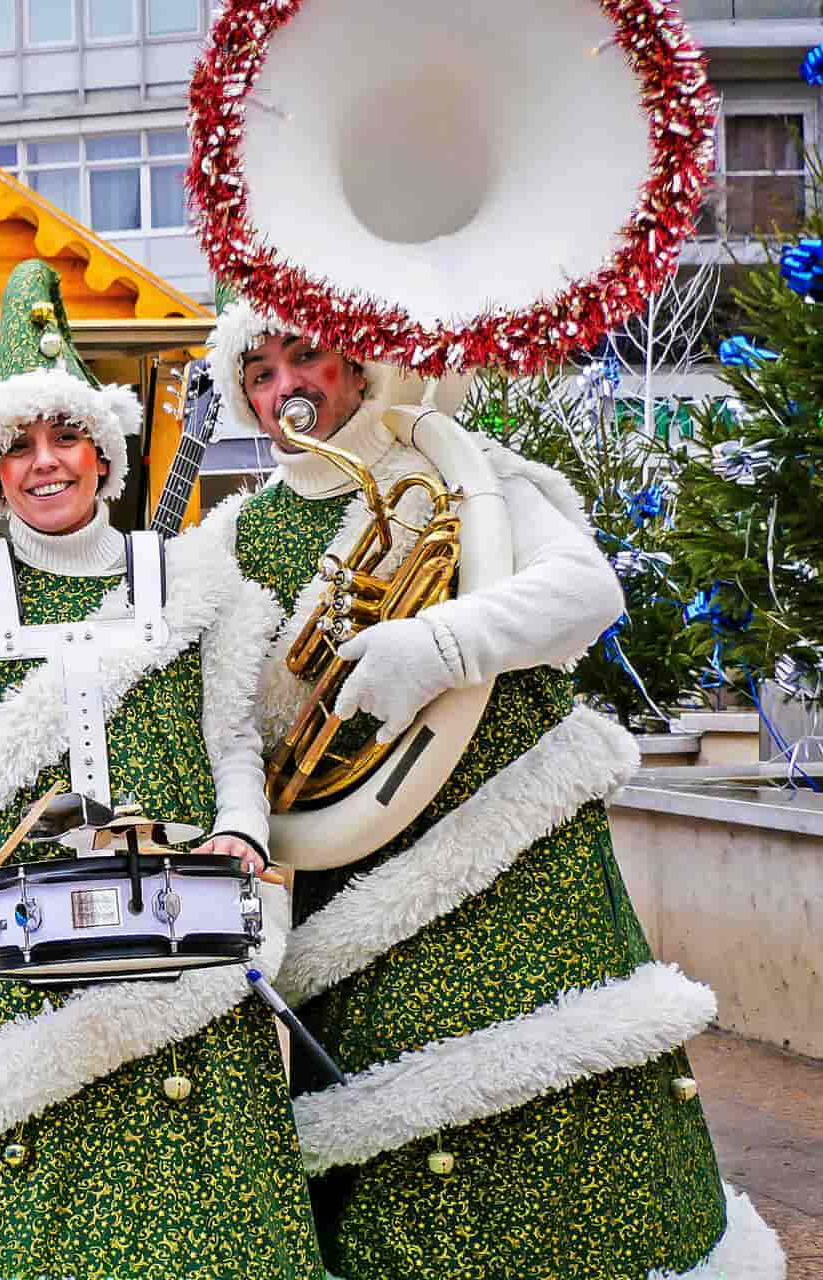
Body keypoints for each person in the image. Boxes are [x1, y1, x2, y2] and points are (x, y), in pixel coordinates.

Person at [200, 299, 786, 1279]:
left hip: (520, 854)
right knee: (394, 1126)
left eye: (306, 354)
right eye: (257, 373)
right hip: (358, 880)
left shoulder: (464, 474)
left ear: (356, 360)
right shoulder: (231, 538)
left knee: (567, 1083)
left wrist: (435, 643)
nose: (284, 386)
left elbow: (585, 593)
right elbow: (220, 718)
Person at [0, 261, 322, 1279]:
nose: (46, 463)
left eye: (67, 437)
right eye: (19, 446)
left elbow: (232, 736)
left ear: (106, 451)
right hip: (11, 924)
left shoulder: (187, 575)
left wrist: (241, 830)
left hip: (172, 914)